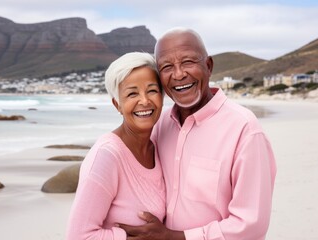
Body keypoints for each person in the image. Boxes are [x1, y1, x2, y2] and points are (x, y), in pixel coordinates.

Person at [119, 28, 277, 239]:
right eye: (167, 67)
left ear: (208, 66)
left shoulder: (244, 130)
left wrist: (175, 237)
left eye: (188, 62)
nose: (178, 74)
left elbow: (251, 225)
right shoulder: (160, 125)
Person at [66, 52, 166, 239]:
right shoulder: (106, 156)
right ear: (117, 104)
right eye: (132, 93)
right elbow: (78, 236)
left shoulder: (159, 147)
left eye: (152, 90)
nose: (144, 101)